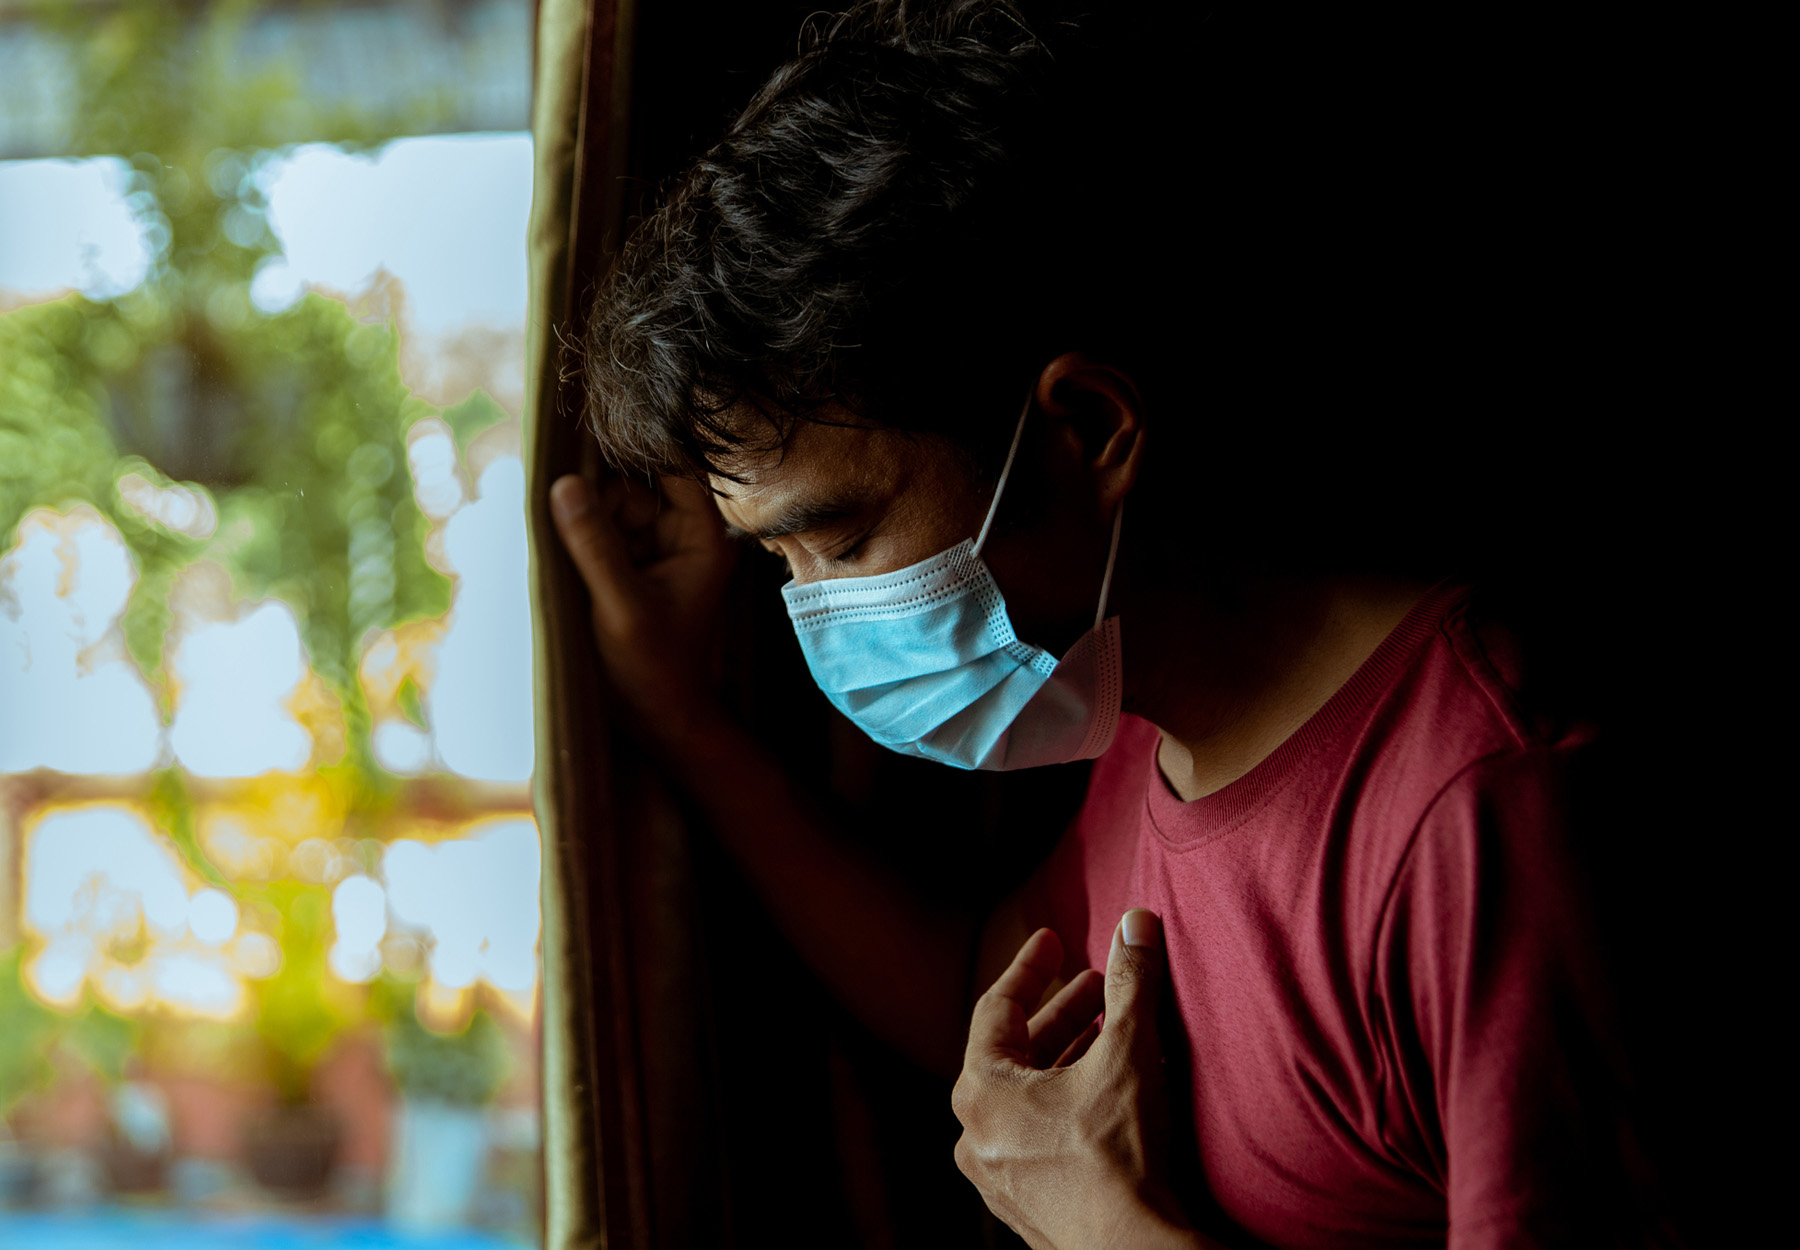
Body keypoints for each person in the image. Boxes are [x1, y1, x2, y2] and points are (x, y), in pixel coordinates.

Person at [547, 2, 1676, 1245]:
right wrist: (679, 714)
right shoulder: (1146, 723)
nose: (821, 610)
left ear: (1088, 430)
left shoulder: (1485, 804)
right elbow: (982, 982)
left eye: (848, 537)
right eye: (780, 560)